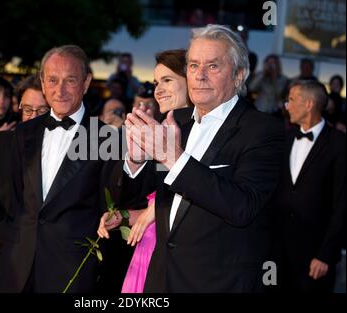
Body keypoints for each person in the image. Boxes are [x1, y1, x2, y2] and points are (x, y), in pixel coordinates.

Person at [119, 24, 284, 292]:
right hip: (161, 277)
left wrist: (175, 158)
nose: (200, 76)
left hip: (216, 283)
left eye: (213, 66)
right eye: (193, 65)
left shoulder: (263, 130)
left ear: (239, 75)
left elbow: (242, 206)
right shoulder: (176, 122)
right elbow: (146, 199)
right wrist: (135, 162)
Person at [0, 45, 119, 293]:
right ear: (42, 82)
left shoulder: (106, 138)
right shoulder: (23, 133)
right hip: (17, 267)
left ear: (86, 82)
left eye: (70, 80)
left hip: (72, 271)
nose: (59, 90)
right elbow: (16, 199)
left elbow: (109, 208)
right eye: (52, 80)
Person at [98, 49, 191, 293]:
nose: (158, 89)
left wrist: (158, 206)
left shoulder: (203, 133)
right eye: (156, 82)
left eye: (167, 80)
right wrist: (136, 160)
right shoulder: (158, 131)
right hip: (149, 255)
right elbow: (136, 199)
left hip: (186, 261)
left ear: (192, 80)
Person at [0, 74, 49, 292]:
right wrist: (17, 242)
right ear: (17, 107)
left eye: (41, 111)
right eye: (27, 109)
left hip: (43, 262)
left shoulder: (63, 153)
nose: (33, 117)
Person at [272, 80, 345, 293]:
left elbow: (342, 205)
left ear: (309, 104)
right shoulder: (284, 140)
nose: (287, 105)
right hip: (275, 254)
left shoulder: (339, 145)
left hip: (314, 257)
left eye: (292, 100)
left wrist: (326, 254)